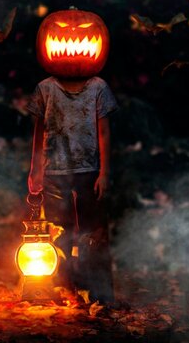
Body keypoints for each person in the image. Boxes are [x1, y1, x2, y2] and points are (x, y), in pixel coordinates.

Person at [26, 74, 118, 303]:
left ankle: (98, 293)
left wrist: (104, 172)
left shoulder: (99, 87)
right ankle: (64, 290)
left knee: (93, 234)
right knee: (59, 233)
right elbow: (39, 131)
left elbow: (104, 131)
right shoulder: (44, 87)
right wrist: (35, 169)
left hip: (89, 170)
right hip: (54, 172)